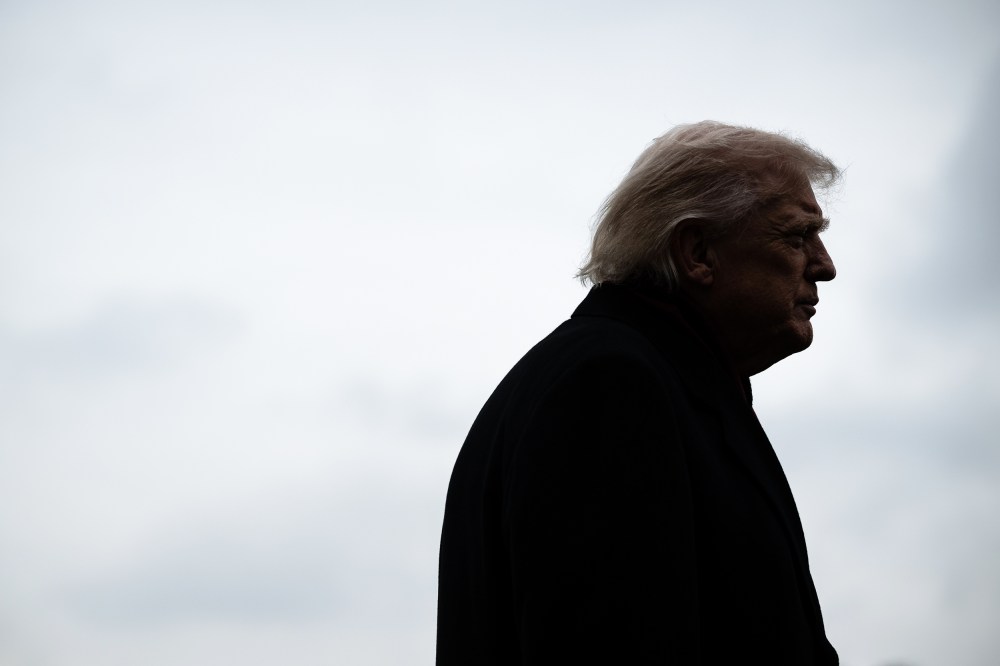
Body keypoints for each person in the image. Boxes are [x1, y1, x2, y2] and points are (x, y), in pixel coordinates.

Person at [437, 121, 841, 665]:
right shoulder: (609, 385)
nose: (825, 265)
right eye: (795, 236)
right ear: (697, 252)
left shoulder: (650, 380)